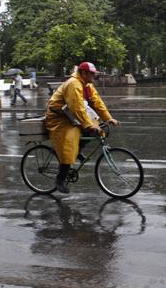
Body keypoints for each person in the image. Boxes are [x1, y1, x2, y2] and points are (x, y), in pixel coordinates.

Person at [45, 62, 119, 193]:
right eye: (92, 74)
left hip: (71, 115)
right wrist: (87, 124)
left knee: (97, 129)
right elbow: (77, 107)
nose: (94, 76)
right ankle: (60, 180)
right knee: (70, 141)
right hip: (59, 118)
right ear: (83, 73)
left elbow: (98, 103)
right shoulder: (74, 84)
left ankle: (77, 150)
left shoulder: (87, 85)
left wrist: (108, 118)